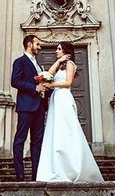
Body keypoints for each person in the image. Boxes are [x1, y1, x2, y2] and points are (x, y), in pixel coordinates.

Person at [36, 42, 103, 182]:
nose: (56, 51)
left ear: (66, 51)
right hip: (56, 98)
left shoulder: (71, 64)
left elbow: (68, 83)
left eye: (59, 49)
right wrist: (59, 60)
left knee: (67, 129)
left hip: (64, 98)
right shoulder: (60, 64)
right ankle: (58, 166)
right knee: (56, 129)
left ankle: (73, 167)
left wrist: (51, 85)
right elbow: (49, 74)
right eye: (57, 48)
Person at [11, 35, 51, 181]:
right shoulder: (20, 62)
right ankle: (20, 175)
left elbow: (42, 85)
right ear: (29, 44)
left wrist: (50, 89)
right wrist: (34, 88)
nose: (39, 47)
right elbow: (15, 81)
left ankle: (36, 175)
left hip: (40, 107)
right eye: (37, 44)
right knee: (20, 139)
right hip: (26, 106)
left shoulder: (38, 65)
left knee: (37, 141)